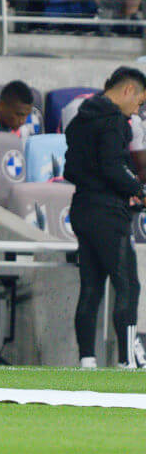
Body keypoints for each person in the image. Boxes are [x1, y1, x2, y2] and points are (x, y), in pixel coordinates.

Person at [64, 66, 146, 369]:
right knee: (128, 285)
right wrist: (139, 190)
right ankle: (127, 360)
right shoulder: (113, 122)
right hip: (108, 212)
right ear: (128, 90)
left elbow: (71, 166)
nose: (137, 110)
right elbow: (114, 167)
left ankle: (87, 359)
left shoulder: (80, 118)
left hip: (82, 207)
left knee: (91, 286)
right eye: (139, 103)